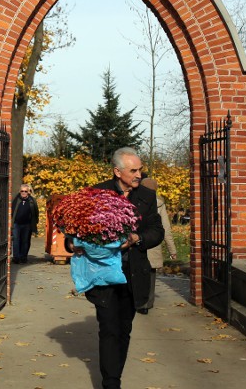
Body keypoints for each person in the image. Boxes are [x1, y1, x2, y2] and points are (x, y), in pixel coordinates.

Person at [66, 148, 164, 389]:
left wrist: (136, 239)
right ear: (117, 171)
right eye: (133, 170)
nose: (139, 174)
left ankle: (114, 375)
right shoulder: (96, 193)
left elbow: (157, 232)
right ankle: (111, 383)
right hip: (103, 274)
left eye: (140, 169)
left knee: (124, 328)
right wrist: (71, 243)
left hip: (132, 274)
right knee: (109, 327)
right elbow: (73, 226)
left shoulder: (147, 197)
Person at [139, 177, 177, 311]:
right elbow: (166, 229)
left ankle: (137, 301)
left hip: (136, 243)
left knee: (136, 274)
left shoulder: (134, 200)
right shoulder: (159, 204)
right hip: (153, 243)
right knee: (150, 275)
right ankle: (147, 303)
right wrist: (172, 250)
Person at [11, 184, 39, 264]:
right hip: (16, 224)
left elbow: (36, 212)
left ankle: (23, 257)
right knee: (16, 240)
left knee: (25, 241)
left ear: (28, 192)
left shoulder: (32, 201)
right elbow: (12, 211)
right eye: (22, 191)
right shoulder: (16, 200)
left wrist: (34, 223)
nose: (23, 193)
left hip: (27, 224)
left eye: (25, 191)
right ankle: (16, 257)